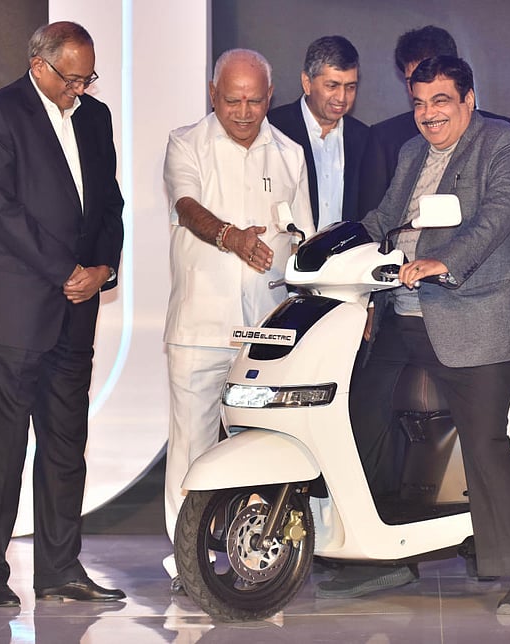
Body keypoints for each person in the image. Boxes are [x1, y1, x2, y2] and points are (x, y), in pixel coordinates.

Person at [317, 55, 510, 615]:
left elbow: (499, 215)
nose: (428, 114)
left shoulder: (502, 143)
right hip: (405, 314)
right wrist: (329, 244)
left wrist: (442, 261)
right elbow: (384, 219)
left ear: (469, 99)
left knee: (485, 441)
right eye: (418, 103)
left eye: (440, 101)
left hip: (478, 314)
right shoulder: (411, 151)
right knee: (359, 413)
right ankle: (384, 554)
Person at [0, 21, 125, 606]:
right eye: (71, 78)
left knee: (65, 444)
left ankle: (60, 571)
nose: (79, 90)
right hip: (14, 311)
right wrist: (66, 272)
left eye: (88, 79)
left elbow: (111, 202)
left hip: (76, 309)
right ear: (40, 66)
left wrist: (103, 267)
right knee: (4, 447)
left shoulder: (96, 117)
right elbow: (2, 212)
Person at [162, 48, 314, 593]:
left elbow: (302, 236)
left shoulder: (291, 153)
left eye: (254, 100)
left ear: (269, 98)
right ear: (213, 94)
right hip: (201, 326)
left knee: (266, 443)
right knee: (192, 443)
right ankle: (189, 563)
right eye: (232, 100)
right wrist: (231, 236)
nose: (244, 111)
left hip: (267, 335)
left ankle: (260, 556)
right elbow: (186, 207)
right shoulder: (187, 142)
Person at [356, 25, 510, 217]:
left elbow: (509, 219)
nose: (420, 86)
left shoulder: (502, 135)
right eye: (412, 80)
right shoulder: (387, 139)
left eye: (429, 76)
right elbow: (375, 221)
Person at [268, 35, 368, 228]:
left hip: (347, 255)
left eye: (350, 87)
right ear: (307, 82)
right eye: (332, 86)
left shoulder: (364, 138)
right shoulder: (273, 128)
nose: (341, 97)